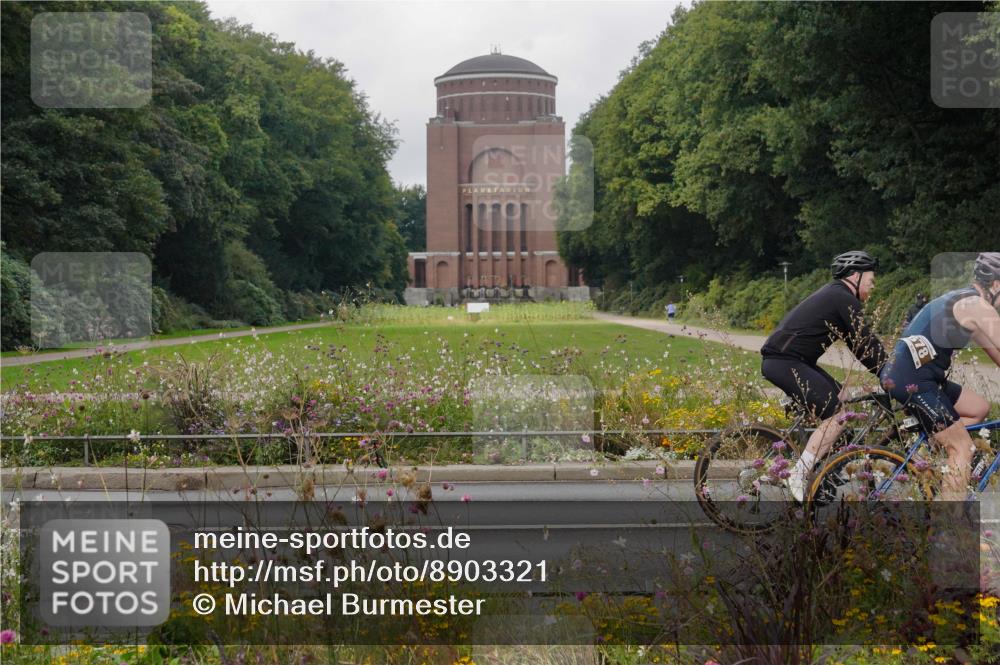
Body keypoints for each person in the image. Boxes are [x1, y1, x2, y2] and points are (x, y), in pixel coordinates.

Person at [761, 250, 888, 501]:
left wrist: (883, 369)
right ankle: (800, 473)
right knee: (838, 416)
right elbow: (865, 342)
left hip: (791, 361)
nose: (873, 286)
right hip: (785, 362)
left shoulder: (837, 296)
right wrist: (889, 372)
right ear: (856, 276)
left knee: (844, 402)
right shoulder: (843, 297)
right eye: (871, 280)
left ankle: (826, 472)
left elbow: (859, 345)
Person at [880, 252, 1000, 500]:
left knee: (978, 408)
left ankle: (934, 455)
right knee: (963, 447)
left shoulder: (965, 300)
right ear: (996, 285)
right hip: (915, 380)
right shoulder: (978, 306)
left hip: (915, 375)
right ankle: (949, 523)